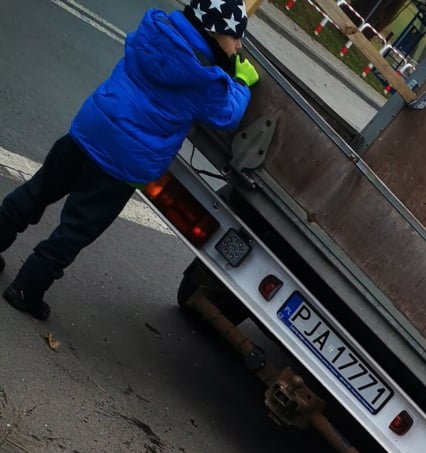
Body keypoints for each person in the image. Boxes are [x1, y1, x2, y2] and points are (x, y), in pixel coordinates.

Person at [0, 2, 256, 322]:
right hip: (122, 164)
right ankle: (27, 289)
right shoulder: (205, 78)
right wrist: (241, 83)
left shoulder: (154, 30)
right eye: (236, 37)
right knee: (76, 230)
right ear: (215, 31)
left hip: (89, 130)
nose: (239, 45)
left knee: (36, 192)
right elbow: (227, 114)